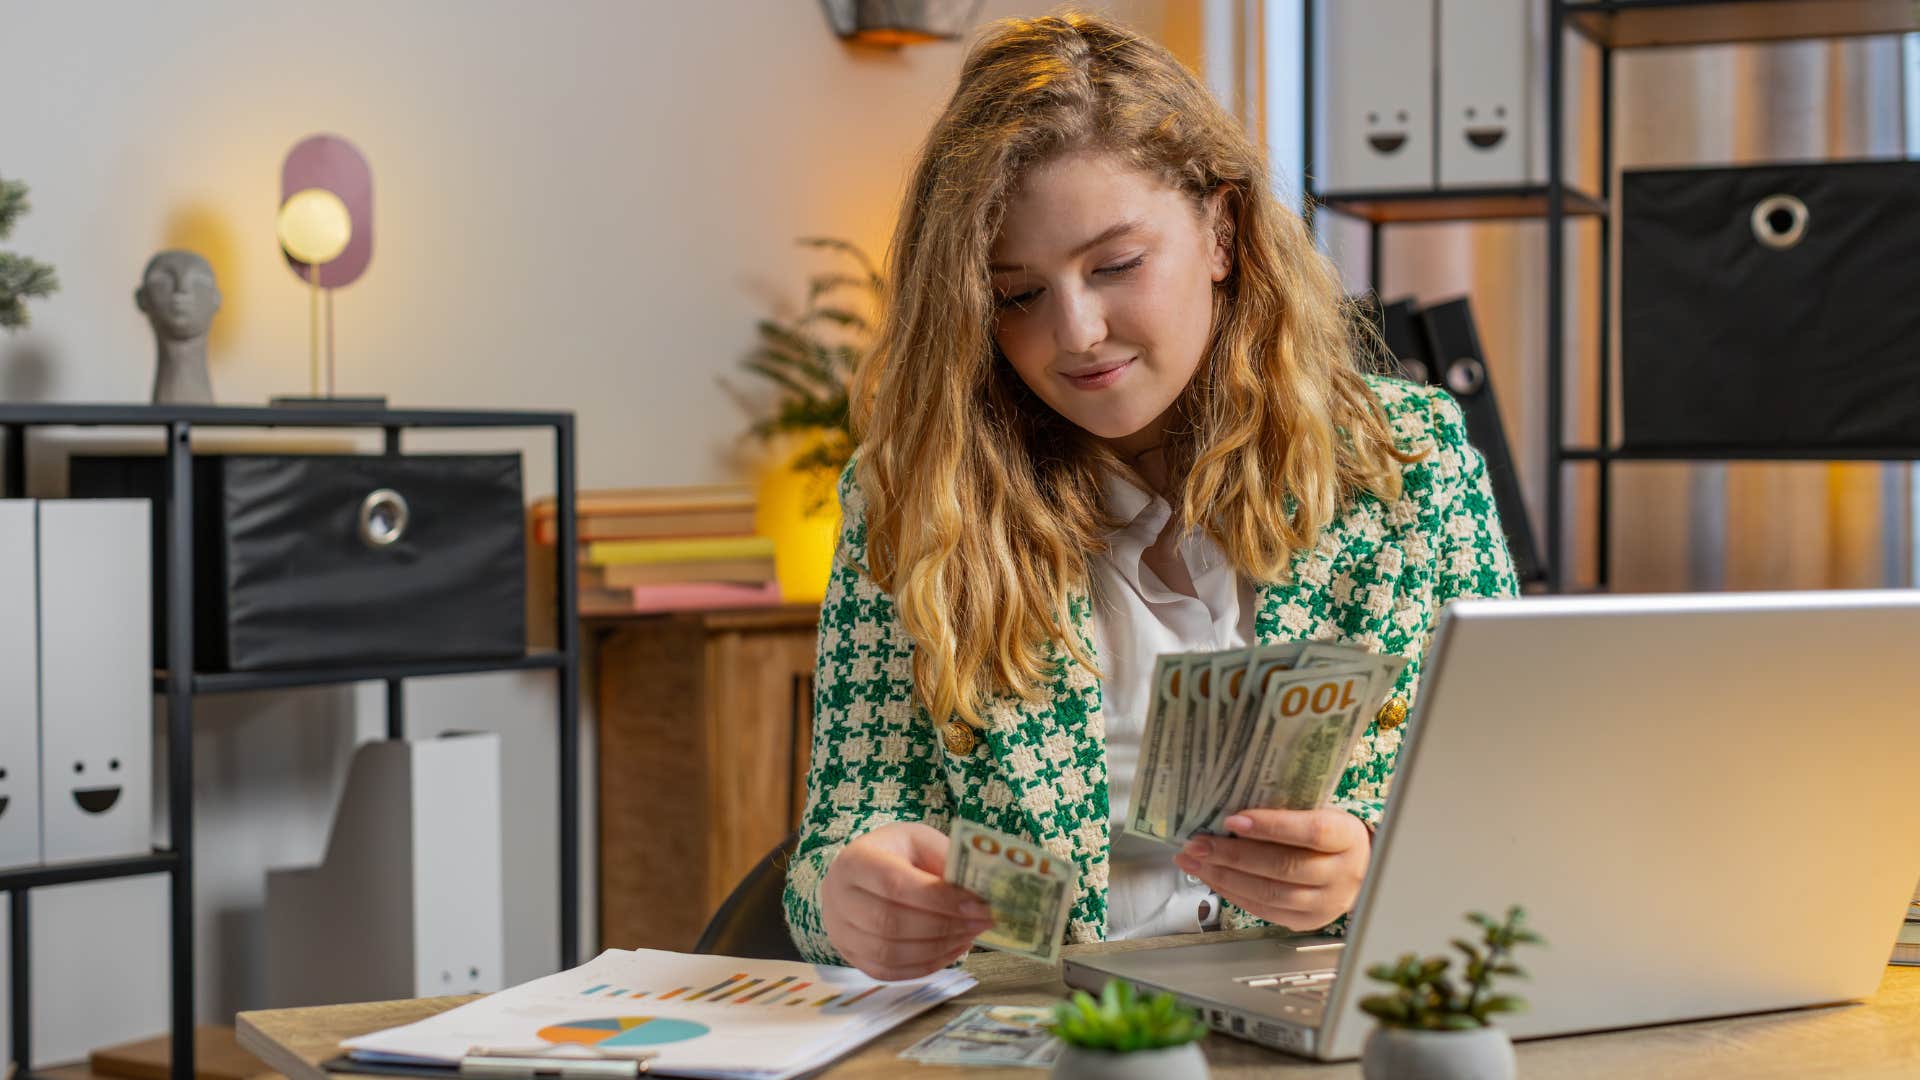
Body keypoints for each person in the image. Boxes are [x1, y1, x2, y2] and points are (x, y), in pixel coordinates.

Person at [782, 11, 1518, 981]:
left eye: (1116, 265)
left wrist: (1370, 867)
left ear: (1222, 231)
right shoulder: (913, 499)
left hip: (1320, 1020)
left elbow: (1510, 817)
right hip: (1043, 1023)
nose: (1077, 332)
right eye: (1017, 295)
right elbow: (842, 834)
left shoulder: (1407, 463)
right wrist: (848, 895)